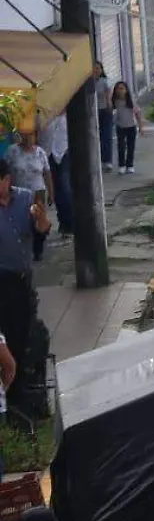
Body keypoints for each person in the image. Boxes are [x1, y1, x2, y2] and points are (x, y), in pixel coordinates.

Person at [0, 161, 42, 388]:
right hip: (2, 281)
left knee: (24, 333)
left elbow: (40, 229)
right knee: (6, 336)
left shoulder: (26, 199)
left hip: (23, 279)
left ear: (7, 179)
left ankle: (21, 387)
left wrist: (41, 220)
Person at [5, 128, 51, 261]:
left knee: (38, 221)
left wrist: (51, 192)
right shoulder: (12, 152)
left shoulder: (40, 153)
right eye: (24, 135)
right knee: (20, 222)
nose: (28, 138)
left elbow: (47, 173)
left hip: (38, 193)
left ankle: (38, 250)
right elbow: (5, 172)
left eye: (31, 135)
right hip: (18, 193)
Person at [109, 82, 141, 175]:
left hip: (131, 127)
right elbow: (112, 113)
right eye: (118, 89)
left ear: (126, 90)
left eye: (122, 88)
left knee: (131, 147)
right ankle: (121, 165)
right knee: (121, 146)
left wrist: (141, 127)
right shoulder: (115, 102)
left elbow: (138, 113)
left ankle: (130, 165)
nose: (120, 91)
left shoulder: (131, 101)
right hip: (120, 127)